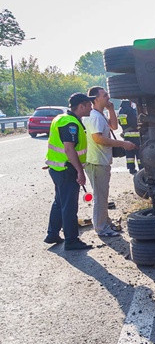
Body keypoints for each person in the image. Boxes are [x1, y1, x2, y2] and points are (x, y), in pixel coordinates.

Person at [83, 87, 137, 237]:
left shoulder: (100, 114)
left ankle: (105, 223)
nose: (108, 97)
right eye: (105, 95)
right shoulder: (94, 116)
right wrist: (123, 144)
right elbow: (98, 139)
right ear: (96, 99)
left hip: (101, 161)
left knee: (102, 195)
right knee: (100, 197)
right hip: (96, 162)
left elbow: (114, 126)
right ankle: (101, 228)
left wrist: (111, 109)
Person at [44, 93, 95, 250]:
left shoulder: (61, 118)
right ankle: (71, 240)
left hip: (58, 168)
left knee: (60, 202)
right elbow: (69, 148)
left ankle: (52, 234)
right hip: (67, 169)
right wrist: (80, 172)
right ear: (81, 106)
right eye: (89, 105)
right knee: (69, 205)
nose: (91, 108)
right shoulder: (70, 122)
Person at [118, 100, 142, 174]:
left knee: (129, 154)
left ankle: (131, 168)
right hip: (135, 135)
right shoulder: (131, 110)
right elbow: (135, 121)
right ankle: (141, 168)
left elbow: (120, 122)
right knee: (139, 152)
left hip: (126, 135)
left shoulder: (120, 111)